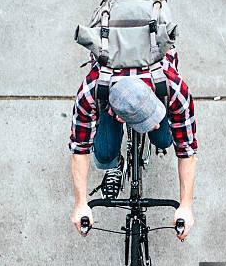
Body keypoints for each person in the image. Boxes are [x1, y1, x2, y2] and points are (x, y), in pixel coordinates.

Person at [68, 45, 197, 240]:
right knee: (103, 153)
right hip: (109, 95)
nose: (149, 125)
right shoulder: (91, 91)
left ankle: (156, 129)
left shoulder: (174, 89)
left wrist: (186, 206)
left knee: (163, 139)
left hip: (157, 83)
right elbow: (80, 148)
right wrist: (80, 204)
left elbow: (187, 149)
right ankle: (116, 165)